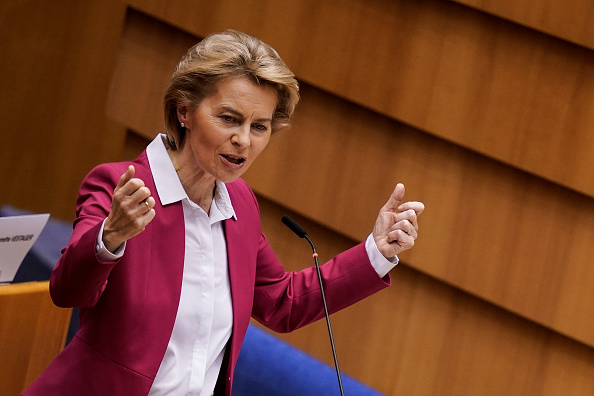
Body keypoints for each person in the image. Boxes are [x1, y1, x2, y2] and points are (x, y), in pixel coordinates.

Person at [23, 30, 424, 396]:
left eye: (260, 126)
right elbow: (67, 291)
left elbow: (282, 302)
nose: (243, 140)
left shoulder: (241, 206)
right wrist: (110, 237)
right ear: (184, 111)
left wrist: (377, 251)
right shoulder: (121, 186)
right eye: (229, 119)